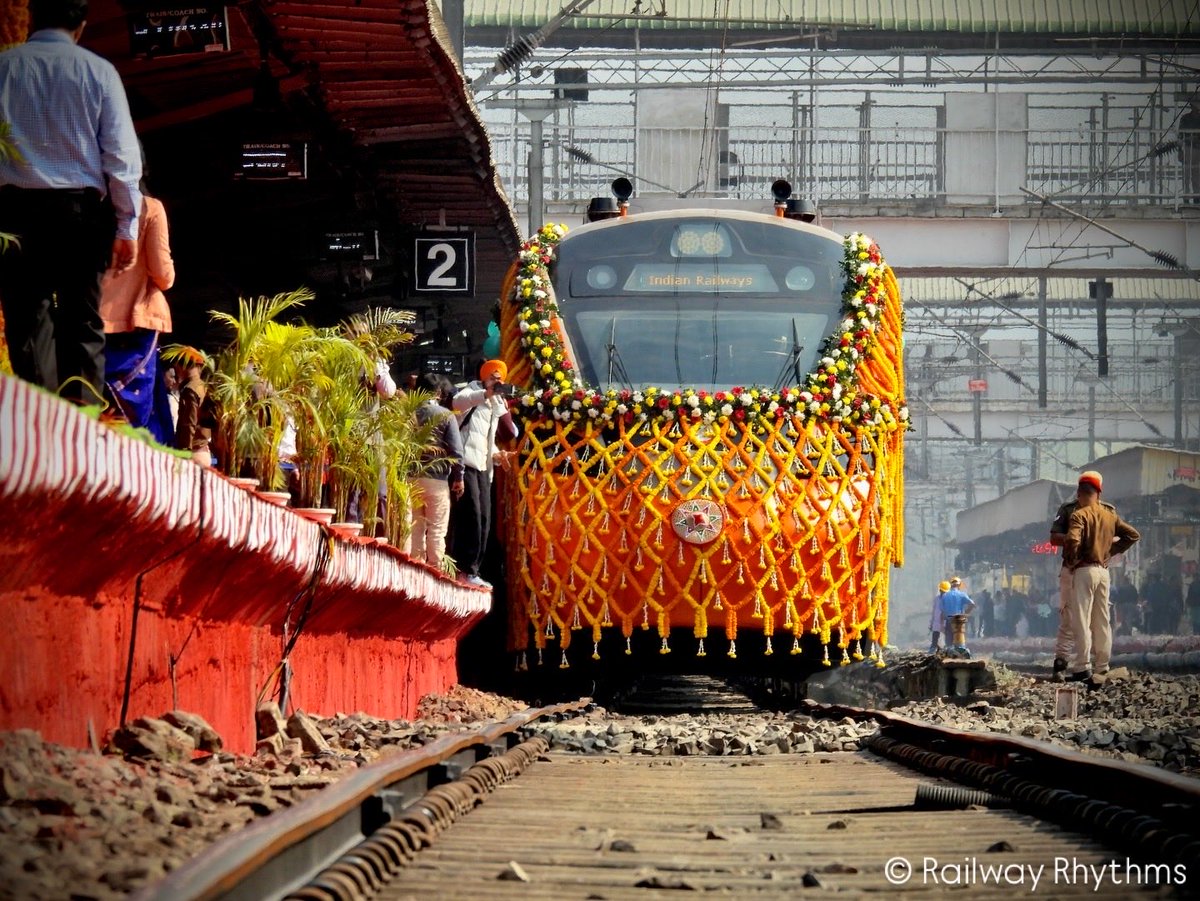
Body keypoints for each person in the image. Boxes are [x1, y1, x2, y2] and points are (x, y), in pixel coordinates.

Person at [0, 0, 142, 406]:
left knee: (28, 319)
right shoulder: (99, 72)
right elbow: (120, 157)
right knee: (83, 320)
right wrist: (125, 226)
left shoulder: (4, 69)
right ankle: (81, 433)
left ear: (30, 18)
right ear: (80, 26)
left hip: (14, 212)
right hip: (80, 214)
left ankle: (38, 423)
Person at [99, 175, 174, 427]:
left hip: (91, 320)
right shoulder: (150, 208)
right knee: (134, 418)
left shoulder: (89, 203)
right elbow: (163, 275)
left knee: (90, 404)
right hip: (135, 323)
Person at [1063, 473, 1141, 687]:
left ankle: (1082, 666)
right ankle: (1103, 666)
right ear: (1098, 494)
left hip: (1084, 570)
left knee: (1082, 619)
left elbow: (1071, 539)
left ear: (1080, 494)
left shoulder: (1079, 515)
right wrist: (1110, 551)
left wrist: (1072, 559)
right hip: (1104, 573)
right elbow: (1133, 535)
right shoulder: (1110, 516)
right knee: (1102, 620)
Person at [451, 359, 518, 588]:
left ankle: (474, 570)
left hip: (482, 466)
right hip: (466, 463)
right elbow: (457, 402)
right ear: (486, 377)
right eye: (494, 378)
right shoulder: (471, 392)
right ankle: (464, 568)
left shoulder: (493, 405)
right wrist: (485, 392)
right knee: (471, 515)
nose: (498, 384)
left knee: (484, 520)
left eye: (500, 380)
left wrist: (497, 454)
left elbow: (496, 435)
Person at [1049, 471, 1117, 681]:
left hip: (1093, 568)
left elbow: (1114, 537)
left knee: (1094, 619)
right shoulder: (1069, 510)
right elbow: (1054, 538)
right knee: (1072, 617)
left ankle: (1090, 666)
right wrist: (1074, 539)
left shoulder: (1108, 511)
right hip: (1073, 569)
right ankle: (1063, 662)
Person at [407, 373, 464, 566]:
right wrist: (459, 477)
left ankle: (416, 574)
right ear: (438, 392)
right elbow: (456, 450)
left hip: (411, 479)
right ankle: (436, 573)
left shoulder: (409, 413)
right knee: (437, 530)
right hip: (437, 480)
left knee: (415, 529)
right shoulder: (445, 415)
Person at [175, 349, 212, 465]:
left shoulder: (190, 390)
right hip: (204, 450)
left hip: (193, 454)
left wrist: (184, 452)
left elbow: (189, 425)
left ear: (182, 367)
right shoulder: (205, 387)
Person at [940, 577, 976, 655]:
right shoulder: (961, 594)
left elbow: (942, 612)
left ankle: (949, 656)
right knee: (960, 642)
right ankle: (961, 657)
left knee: (949, 643)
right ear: (959, 585)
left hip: (948, 620)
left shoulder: (944, 596)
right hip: (958, 621)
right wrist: (966, 613)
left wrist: (941, 624)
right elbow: (972, 604)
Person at [1180, 97, 1200, 203]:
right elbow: (1180, 135)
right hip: (1188, 148)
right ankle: (1186, 197)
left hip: (1198, 149)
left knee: (1197, 174)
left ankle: (1197, 197)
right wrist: (1180, 150)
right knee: (1187, 174)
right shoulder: (1185, 118)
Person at [929, 580, 950, 653]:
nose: (942, 592)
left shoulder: (949, 599)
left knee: (948, 639)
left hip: (946, 621)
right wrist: (931, 623)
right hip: (936, 622)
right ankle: (932, 650)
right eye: (941, 591)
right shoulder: (936, 599)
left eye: (943, 591)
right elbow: (934, 611)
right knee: (935, 639)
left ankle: (948, 651)